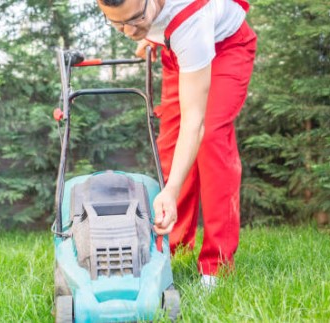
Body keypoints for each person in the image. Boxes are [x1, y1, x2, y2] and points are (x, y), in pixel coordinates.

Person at [96, 0, 256, 287]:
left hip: (224, 48)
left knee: (209, 141)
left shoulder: (191, 21)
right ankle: (173, 244)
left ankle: (216, 266)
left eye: (134, 19)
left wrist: (170, 190)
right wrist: (148, 34)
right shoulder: (142, 14)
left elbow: (194, 123)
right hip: (177, 48)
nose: (127, 30)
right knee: (170, 148)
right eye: (116, 23)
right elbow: (139, 18)